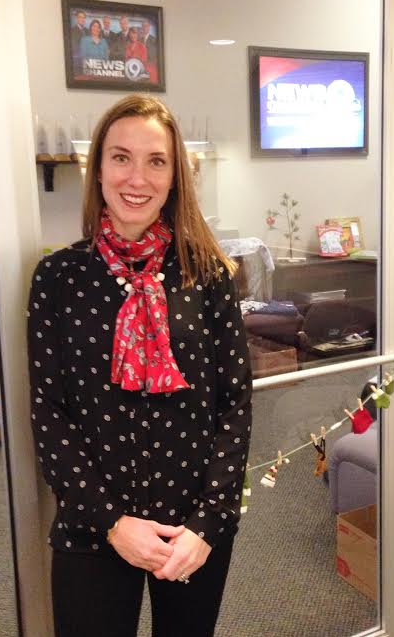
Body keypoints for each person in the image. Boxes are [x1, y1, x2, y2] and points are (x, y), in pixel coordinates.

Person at [27, 94, 253, 637]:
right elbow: (49, 414)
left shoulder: (209, 275)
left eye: (157, 161)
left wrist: (210, 520)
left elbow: (235, 404)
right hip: (94, 523)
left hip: (192, 525)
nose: (138, 177)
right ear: (98, 169)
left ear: (175, 176)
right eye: (121, 157)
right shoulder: (59, 278)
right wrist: (113, 523)